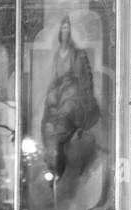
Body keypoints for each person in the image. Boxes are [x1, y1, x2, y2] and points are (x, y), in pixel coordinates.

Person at [40, 15, 101, 178]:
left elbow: (85, 79)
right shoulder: (56, 54)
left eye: (68, 28)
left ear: (71, 32)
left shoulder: (77, 54)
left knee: (66, 110)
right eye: (63, 27)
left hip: (73, 91)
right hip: (59, 91)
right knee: (46, 116)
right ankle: (51, 161)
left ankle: (60, 146)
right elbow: (53, 79)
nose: (65, 31)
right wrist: (51, 95)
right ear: (60, 31)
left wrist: (84, 97)